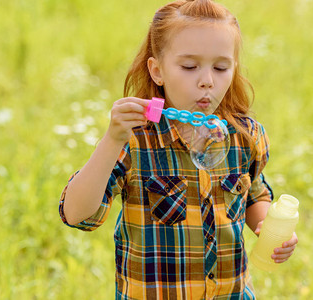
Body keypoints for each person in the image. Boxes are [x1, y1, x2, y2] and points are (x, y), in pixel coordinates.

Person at [59, 0, 298, 299]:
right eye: (189, 66)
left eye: (221, 67)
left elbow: (253, 193)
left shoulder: (244, 135)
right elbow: (77, 215)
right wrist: (112, 140)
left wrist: (267, 225)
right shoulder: (136, 141)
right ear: (157, 71)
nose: (207, 81)